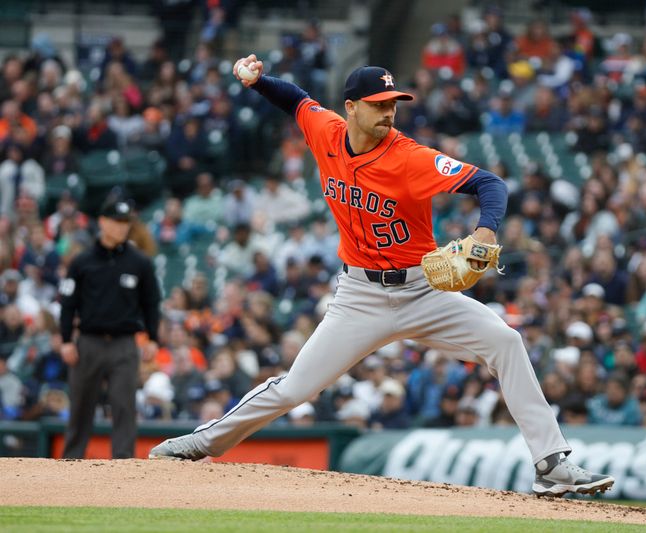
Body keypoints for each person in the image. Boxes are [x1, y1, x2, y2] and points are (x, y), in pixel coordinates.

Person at [149, 56, 614, 497]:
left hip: (422, 290)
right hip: (358, 297)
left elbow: (489, 184)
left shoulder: (410, 158)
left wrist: (485, 230)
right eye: (378, 105)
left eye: (393, 104)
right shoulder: (326, 130)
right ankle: (199, 443)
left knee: (506, 342)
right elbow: (296, 100)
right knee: (296, 387)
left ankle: (551, 465)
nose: (389, 113)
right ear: (350, 108)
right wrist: (256, 82)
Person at [59, 199, 161, 458]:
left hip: (124, 343)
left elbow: (151, 303)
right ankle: (71, 461)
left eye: (126, 223)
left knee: (124, 406)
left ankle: (123, 466)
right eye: (117, 221)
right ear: (102, 222)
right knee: (81, 406)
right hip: (89, 342)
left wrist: (152, 338)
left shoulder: (140, 262)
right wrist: (66, 340)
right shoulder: (82, 261)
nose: (122, 227)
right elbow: (68, 303)